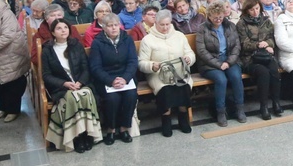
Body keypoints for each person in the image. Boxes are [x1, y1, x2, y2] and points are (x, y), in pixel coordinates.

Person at [41, 19, 102, 152]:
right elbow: (46, 75)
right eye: (59, 28)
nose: (63, 30)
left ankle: (88, 134)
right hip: (61, 87)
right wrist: (64, 83)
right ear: (52, 32)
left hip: (80, 83)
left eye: (65, 27)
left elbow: (86, 68)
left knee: (86, 94)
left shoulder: (76, 45)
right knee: (74, 98)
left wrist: (80, 82)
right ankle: (77, 137)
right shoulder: (47, 50)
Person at [138, 9, 195, 137]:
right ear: (156, 24)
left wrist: (188, 59)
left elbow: (190, 53)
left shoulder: (179, 36)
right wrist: (152, 66)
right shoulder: (148, 39)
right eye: (162, 25)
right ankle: (166, 120)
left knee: (183, 86)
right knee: (166, 89)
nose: (165, 28)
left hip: (179, 71)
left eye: (167, 24)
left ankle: (183, 117)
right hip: (158, 74)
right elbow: (141, 62)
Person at [89, 13, 139, 145]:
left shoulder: (127, 39)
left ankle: (124, 128)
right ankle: (110, 130)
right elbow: (95, 67)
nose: (114, 28)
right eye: (110, 26)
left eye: (116, 25)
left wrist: (125, 78)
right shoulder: (97, 42)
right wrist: (111, 81)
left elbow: (133, 61)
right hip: (106, 78)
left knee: (130, 95)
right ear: (104, 28)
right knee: (112, 99)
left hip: (125, 77)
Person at [196, 1, 246, 126]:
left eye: (220, 17)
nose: (218, 20)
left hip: (229, 60)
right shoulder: (202, 29)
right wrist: (219, 64)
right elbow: (202, 51)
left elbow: (236, 46)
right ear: (209, 17)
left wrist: (229, 62)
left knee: (235, 77)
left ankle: (240, 108)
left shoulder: (230, 26)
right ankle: (221, 112)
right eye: (215, 17)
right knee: (221, 80)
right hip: (210, 63)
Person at [236, 0, 282, 120]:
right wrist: (257, 45)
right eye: (252, 10)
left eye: (257, 8)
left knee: (273, 70)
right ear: (246, 10)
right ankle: (264, 106)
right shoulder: (241, 23)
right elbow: (243, 44)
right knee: (263, 73)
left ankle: (276, 102)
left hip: (265, 55)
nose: (255, 12)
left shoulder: (266, 21)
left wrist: (268, 44)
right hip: (250, 58)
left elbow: (272, 38)